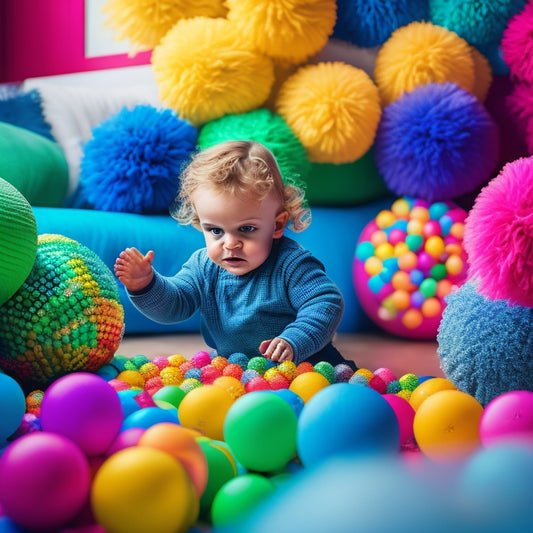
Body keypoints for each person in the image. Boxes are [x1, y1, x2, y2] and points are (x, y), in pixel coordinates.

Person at [114, 140, 357, 370]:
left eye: (247, 229)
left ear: (277, 225)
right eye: (215, 230)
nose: (230, 244)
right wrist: (145, 285)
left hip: (308, 368)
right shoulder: (203, 267)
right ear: (201, 223)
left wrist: (294, 340)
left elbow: (325, 302)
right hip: (239, 375)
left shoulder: (291, 265)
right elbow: (175, 304)